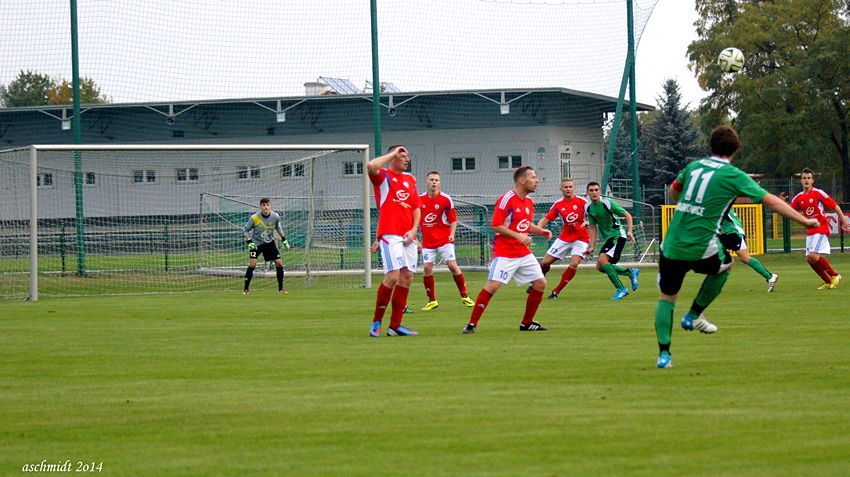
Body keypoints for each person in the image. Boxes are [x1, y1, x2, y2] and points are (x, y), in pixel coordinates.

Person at [654, 126, 818, 368]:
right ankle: (693, 315)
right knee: (727, 265)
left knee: (667, 297)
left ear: (710, 145)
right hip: (701, 244)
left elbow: (674, 191)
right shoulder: (733, 174)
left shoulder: (694, 167)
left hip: (671, 243)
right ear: (736, 149)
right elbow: (771, 201)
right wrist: (804, 220)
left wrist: (688, 205)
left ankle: (664, 356)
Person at [462, 166, 553, 334]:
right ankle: (471, 324)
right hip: (505, 253)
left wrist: (540, 231)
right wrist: (519, 236)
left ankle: (527, 323)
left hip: (523, 253)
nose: (537, 180)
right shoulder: (507, 199)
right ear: (522, 180)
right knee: (493, 286)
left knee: (540, 284)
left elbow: (524, 224)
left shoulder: (528, 202)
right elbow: (496, 225)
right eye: (533, 177)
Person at [368, 145, 421, 337]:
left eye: (407, 156)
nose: (407, 160)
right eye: (402, 156)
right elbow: (371, 165)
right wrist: (392, 153)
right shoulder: (383, 176)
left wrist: (414, 231)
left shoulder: (410, 179)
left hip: (408, 235)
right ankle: (376, 322)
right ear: (393, 158)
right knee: (392, 276)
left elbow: (416, 208)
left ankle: (395, 326)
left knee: (407, 277)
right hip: (390, 234)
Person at [418, 171, 475, 311]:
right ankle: (432, 300)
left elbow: (453, 220)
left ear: (439, 183)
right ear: (426, 182)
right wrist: (415, 239)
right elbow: (414, 218)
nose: (434, 182)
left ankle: (464, 296)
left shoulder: (445, 199)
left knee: (452, 266)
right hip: (428, 241)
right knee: (426, 268)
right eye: (431, 180)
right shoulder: (419, 199)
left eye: (436, 180)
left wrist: (451, 235)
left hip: (444, 239)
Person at [789, 168, 850, 289]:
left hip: (821, 228)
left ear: (813, 180)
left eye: (809, 178)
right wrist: (782, 202)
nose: (806, 180)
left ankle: (834, 275)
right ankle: (828, 282)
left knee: (813, 255)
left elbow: (835, 206)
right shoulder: (799, 197)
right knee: (809, 259)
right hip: (810, 231)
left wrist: (844, 222)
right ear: (801, 181)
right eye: (804, 178)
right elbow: (789, 210)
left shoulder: (818, 193)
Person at [534, 177, 590, 299]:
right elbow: (546, 219)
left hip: (581, 238)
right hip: (565, 237)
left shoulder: (583, 202)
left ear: (574, 188)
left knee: (574, 264)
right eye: (565, 187)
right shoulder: (558, 204)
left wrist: (588, 221)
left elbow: (593, 214)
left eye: (570, 187)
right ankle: (539, 280)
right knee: (545, 262)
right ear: (561, 189)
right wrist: (539, 229)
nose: (568, 189)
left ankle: (556, 292)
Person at [584, 182, 639, 300]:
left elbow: (627, 215)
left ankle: (621, 289)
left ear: (600, 191)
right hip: (609, 238)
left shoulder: (607, 203)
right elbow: (592, 228)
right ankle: (630, 272)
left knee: (602, 261)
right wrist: (592, 246)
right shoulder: (588, 208)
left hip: (618, 234)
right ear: (587, 193)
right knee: (600, 266)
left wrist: (630, 231)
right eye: (591, 190)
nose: (594, 192)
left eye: (596, 190)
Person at [719, 208, 779, 292]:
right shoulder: (721, 204)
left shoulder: (721, 205)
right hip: (727, 233)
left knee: (745, 258)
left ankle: (770, 277)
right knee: (714, 252)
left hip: (733, 233)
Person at [242, 198, 290, 294]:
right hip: (256, 244)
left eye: (267, 205)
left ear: (270, 206)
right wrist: (249, 242)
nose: (266, 207)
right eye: (263, 205)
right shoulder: (254, 218)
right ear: (260, 206)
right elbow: (245, 230)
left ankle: (281, 288)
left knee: (279, 263)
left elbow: (279, 228)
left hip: (269, 243)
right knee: (252, 264)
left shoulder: (275, 216)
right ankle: (246, 289)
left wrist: (284, 240)